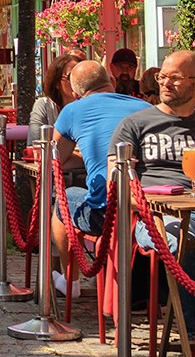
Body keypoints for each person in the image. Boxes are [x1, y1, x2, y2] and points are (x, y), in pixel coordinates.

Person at [110, 48, 195, 333]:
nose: (165, 83)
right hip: (155, 215)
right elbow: (117, 178)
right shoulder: (135, 124)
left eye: (175, 78)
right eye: (162, 76)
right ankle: (193, 331)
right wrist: (144, 203)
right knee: (185, 239)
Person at [51, 61, 135, 285]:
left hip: (107, 211)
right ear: (112, 82)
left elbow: (56, 159)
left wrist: (89, 155)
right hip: (143, 206)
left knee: (64, 199)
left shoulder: (72, 110)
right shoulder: (143, 106)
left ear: (75, 93)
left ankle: (71, 281)